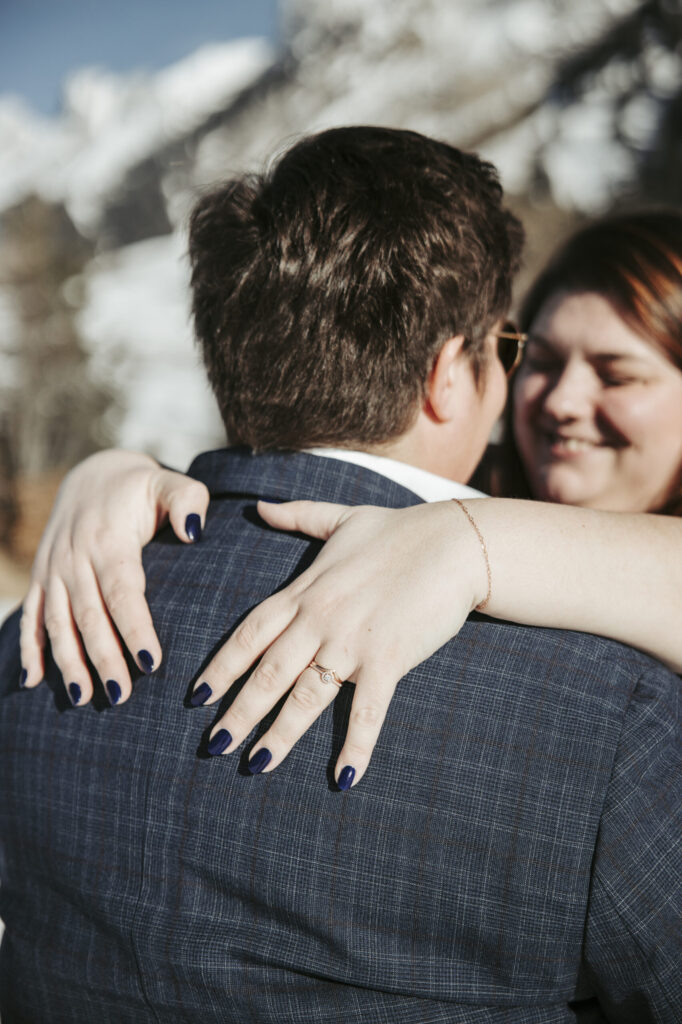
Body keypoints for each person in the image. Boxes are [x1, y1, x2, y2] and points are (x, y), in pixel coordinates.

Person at [0, 128, 679, 1020]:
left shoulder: (43, 641)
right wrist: (110, 470)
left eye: (619, 372)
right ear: (450, 372)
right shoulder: (610, 713)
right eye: (529, 358)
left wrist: (469, 543)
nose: (552, 404)